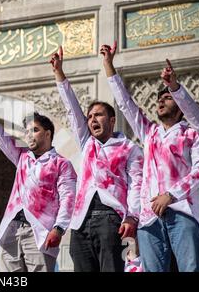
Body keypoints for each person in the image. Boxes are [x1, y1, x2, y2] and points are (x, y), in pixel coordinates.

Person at [103, 41, 199, 272]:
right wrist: (109, 66)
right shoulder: (150, 133)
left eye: (167, 98)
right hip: (149, 219)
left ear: (179, 105)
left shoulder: (193, 132)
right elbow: (125, 104)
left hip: (182, 213)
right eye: (159, 98)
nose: (160, 100)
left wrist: (170, 195)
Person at [50, 47, 143, 272]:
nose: (92, 119)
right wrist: (59, 74)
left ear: (111, 121)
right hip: (80, 222)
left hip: (112, 221)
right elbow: (72, 109)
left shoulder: (128, 148)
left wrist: (132, 217)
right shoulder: (86, 143)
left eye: (98, 115)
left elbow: (137, 186)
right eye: (90, 116)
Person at [0, 82, 77, 272]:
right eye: (26, 131)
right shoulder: (21, 157)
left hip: (39, 230)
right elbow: (0, 137)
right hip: (10, 229)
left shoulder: (62, 164)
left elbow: (68, 199)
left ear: (47, 134)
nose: (29, 135)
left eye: (34, 130)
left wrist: (59, 228)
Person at [161, 59, 199, 140]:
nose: (161, 101)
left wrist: (174, 87)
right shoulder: (152, 133)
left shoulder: (190, 136)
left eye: (168, 98)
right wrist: (173, 86)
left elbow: (198, 119)